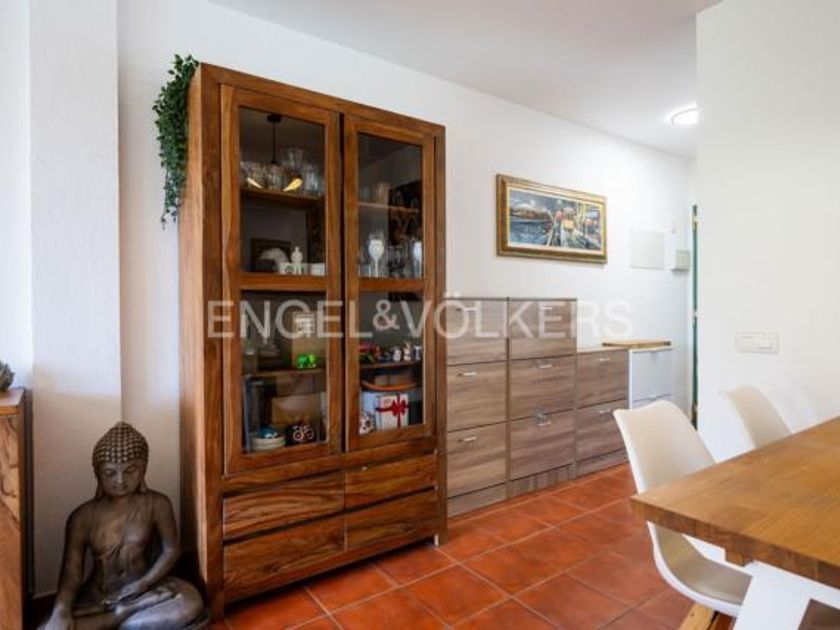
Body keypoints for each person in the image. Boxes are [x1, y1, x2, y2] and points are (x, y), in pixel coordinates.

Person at [42, 422, 205, 630]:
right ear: (98, 473)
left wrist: (142, 584)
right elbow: (72, 574)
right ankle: (123, 616)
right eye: (110, 473)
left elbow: (171, 550)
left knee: (190, 602)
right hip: (100, 597)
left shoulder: (157, 504)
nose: (120, 480)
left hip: (144, 588)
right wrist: (61, 611)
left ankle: (117, 619)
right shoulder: (82, 517)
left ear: (143, 470)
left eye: (130, 471)